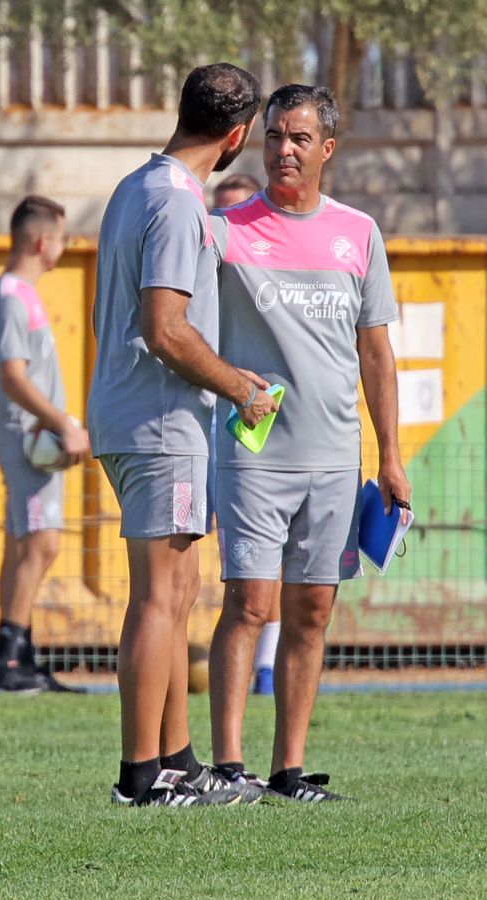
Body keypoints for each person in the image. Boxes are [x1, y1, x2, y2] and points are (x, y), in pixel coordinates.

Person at [205, 84, 408, 802]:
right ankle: (228, 769)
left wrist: (389, 456)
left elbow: (377, 356)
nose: (282, 151)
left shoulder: (359, 232)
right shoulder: (225, 232)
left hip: (334, 460)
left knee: (312, 612)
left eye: (297, 139)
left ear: (326, 149)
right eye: (272, 138)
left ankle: (289, 770)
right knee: (248, 604)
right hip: (255, 457)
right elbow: (178, 325)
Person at [88, 63, 277, 807]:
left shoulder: (138, 184)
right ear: (236, 137)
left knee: (181, 587)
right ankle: (143, 776)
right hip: (160, 420)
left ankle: (178, 759)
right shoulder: (174, 203)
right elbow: (165, 329)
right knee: (158, 599)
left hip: (139, 415)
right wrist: (240, 387)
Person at [0, 195, 89, 694]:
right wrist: (62, 422)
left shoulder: (24, 294)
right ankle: (7, 662)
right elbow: (13, 376)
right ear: (43, 241)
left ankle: (19, 654)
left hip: (34, 435)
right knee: (41, 543)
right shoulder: (9, 296)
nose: (63, 247)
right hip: (28, 437)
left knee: (24, 543)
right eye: (62, 238)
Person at [210, 176, 279, 696]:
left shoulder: (272, 279)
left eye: (238, 213)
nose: (225, 226)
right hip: (198, 427)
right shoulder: (196, 274)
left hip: (251, 428)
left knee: (262, 562)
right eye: (219, 214)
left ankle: (267, 666)